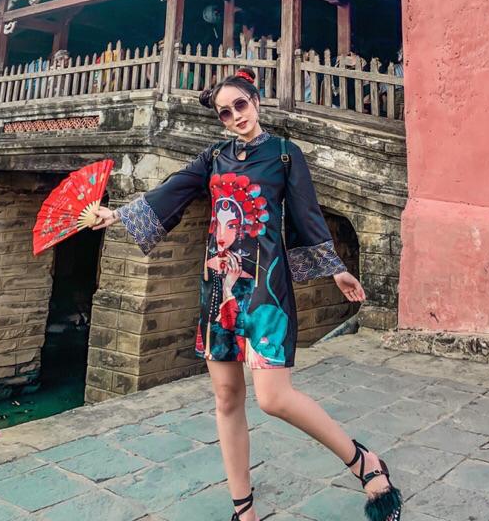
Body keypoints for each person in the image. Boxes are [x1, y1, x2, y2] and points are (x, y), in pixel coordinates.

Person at [91, 67, 402, 521]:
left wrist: (335, 269)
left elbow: (307, 215)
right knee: (226, 397)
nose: (235, 116)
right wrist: (117, 215)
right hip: (218, 287)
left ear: (255, 102)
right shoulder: (215, 157)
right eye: (225, 112)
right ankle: (244, 511)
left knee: (273, 398)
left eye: (240, 105)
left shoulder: (285, 154)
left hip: (266, 288)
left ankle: (364, 462)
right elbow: (173, 189)